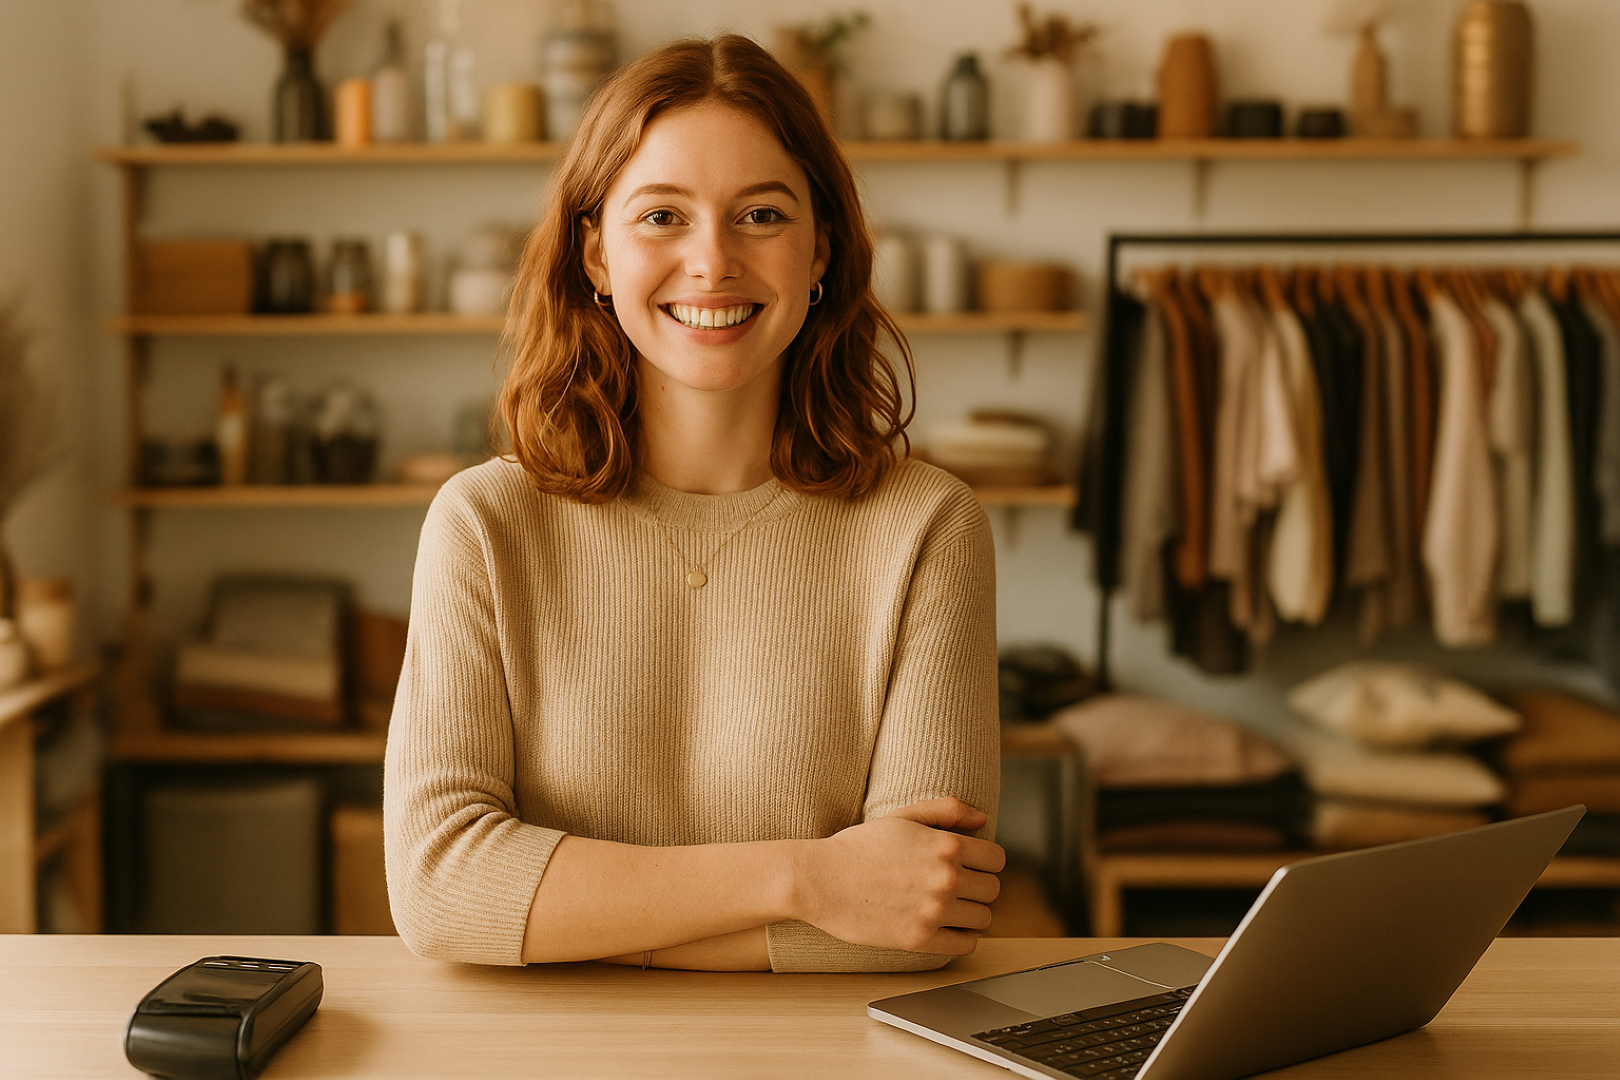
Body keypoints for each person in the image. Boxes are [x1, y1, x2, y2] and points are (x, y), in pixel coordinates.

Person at [384, 34, 1003, 973]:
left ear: (821, 249)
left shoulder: (928, 528)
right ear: (594, 252)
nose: (712, 262)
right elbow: (440, 892)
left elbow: (921, 919)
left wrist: (566, 917)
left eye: (760, 214)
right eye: (662, 216)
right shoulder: (482, 524)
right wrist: (810, 882)